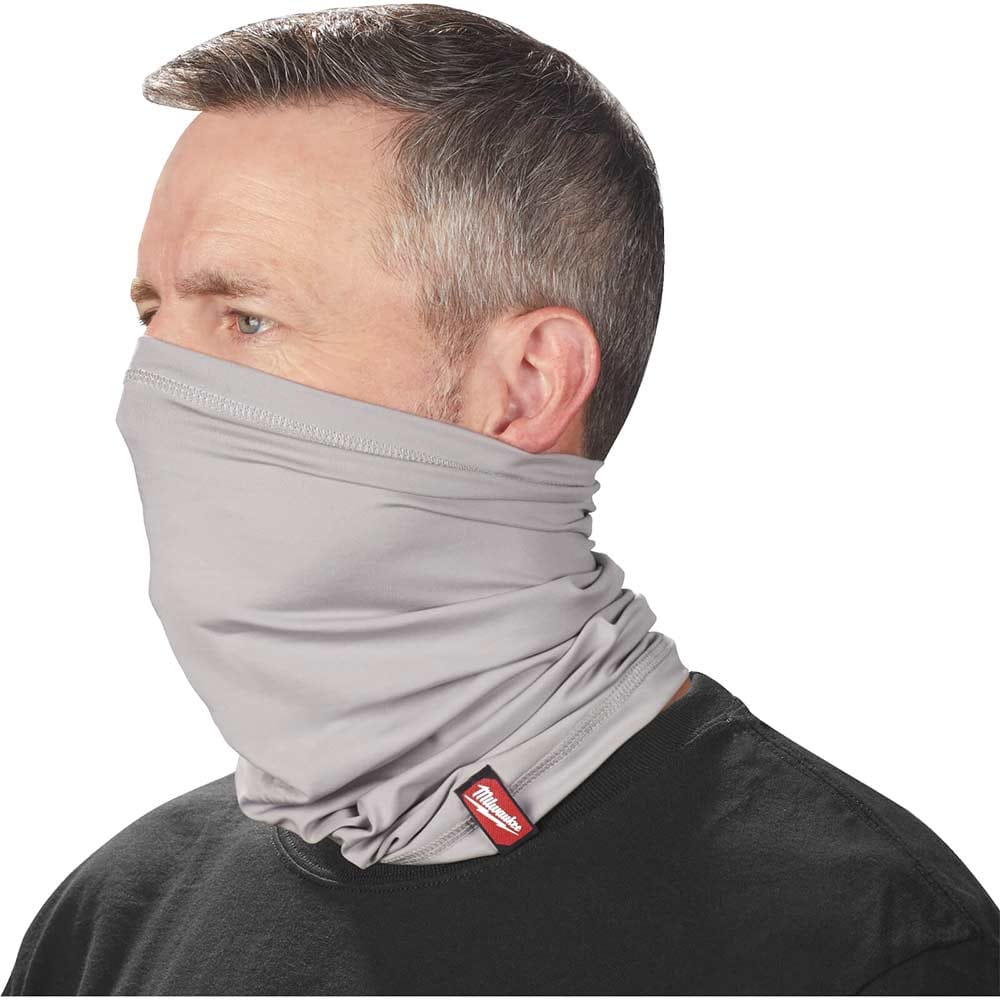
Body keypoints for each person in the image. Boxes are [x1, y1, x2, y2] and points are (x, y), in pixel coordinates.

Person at [4, 4, 997, 995]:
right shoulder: (117, 918)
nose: (153, 392)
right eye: (152, 317)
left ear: (526, 385)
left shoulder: (868, 950)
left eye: (247, 320)